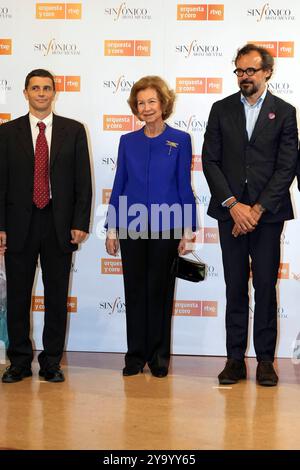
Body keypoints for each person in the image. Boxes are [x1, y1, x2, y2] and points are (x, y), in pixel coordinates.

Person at [202, 44, 298, 387]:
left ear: (267, 72)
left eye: (250, 71)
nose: (244, 77)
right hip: (230, 215)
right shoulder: (221, 109)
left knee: (266, 288)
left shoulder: (285, 112)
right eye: (239, 71)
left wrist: (255, 210)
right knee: (235, 288)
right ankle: (234, 360)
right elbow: (209, 160)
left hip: (267, 217)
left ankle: (266, 362)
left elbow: (287, 166)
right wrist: (233, 204)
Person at [0, 69, 92, 383]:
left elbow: (84, 181)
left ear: (55, 93)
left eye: (47, 88)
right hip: (18, 226)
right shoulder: (6, 132)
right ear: (25, 93)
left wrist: (80, 222)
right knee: (18, 298)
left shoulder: (74, 130)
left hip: (59, 225)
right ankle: (20, 362)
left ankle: (51, 362)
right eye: (35, 88)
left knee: (56, 297)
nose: (41, 93)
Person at [105, 76, 197, 378]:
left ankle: (159, 358)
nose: (146, 108)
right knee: (134, 291)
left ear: (163, 104)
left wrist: (187, 229)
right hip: (131, 225)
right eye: (141, 102)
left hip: (167, 225)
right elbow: (120, 183)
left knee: (160, 291)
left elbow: (185, 185)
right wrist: (112, 228)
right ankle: (135, 356)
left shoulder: (181, 139)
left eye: (152, 101)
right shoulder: (127, 141)